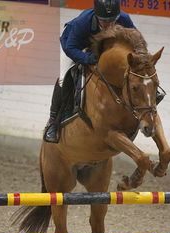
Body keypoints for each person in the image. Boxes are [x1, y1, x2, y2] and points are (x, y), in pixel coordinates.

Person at [43, 0, 136, 143]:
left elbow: (135, 40)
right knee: (63, 78)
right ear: (97, 16)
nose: (109, 25)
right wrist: (88, 58)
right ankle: (53, 122)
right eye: (105, 21)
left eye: (112, 20)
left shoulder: (123, 18)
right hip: (75, 47)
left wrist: (140, 57)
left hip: (101, 48)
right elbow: (70, 47)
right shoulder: (83, 22)